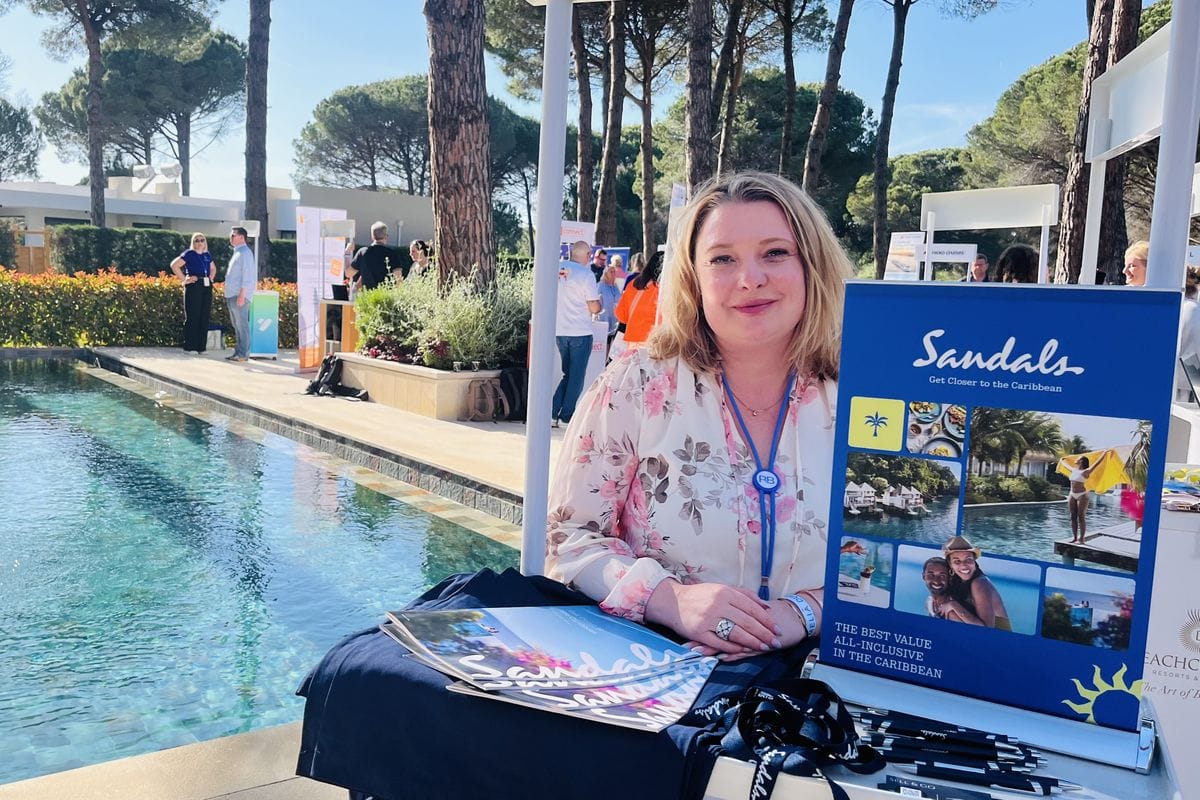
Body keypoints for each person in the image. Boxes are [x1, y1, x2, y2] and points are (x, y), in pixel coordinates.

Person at [546, 171, 852, 659]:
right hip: (662, 686)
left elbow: (909, 572)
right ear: (693, 278)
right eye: (722, 259)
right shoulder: (635, 386)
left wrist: (804, 613)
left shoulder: (866, 400)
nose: (750, 278)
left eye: (775, 253)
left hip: (822, 700)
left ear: (812, 266)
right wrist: (670, 600)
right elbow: (567, 539)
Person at [553, 240, 601, 428]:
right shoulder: (586, 275)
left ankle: (552, 410)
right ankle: (566, 416)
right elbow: (594, 306)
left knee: (568, 374)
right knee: (576, 376)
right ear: (588, 255)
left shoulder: (556, 268)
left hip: (560, 330)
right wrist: (600, 305)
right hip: (580, 331)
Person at [943, 536, 1011, 631]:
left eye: (968, 560)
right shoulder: (957, 580)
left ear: (974, 562)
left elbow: (986, 629)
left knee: (952, 614)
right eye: (957, 561)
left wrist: (953, 605)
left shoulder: (979, 584)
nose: (963, 565)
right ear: (950, 565)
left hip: (1000, 636)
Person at [170, 232, 215, 354]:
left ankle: (201, 347)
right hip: (193, 286)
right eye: (197, 240)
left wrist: (211, 278)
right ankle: (190, 346)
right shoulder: (189, 254)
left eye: (202, 240)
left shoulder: (207, 255)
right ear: (193, 243)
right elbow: (174, 265)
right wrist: (185, 279)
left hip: (205, 285)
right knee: (193, 316)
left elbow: (213, 268)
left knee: (204, 316)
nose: (200, 242)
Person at [613, 250, 664, 349]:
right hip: (654, 343)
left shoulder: (633, 284)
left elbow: (621, 315)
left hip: (632, 343)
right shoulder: (664, 289)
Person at [223, 226, 257, 363]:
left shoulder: (245, 253)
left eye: (233, 236)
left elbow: (247, 276)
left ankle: (243, 354)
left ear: (241, 237)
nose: (230, 238)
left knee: (242, 325)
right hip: (232, 294)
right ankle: (238, 352)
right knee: (236, 325)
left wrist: (242, 295)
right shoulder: (237, 252)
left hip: (239, 295)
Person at [921, 556, 981, 623]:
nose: (936, 581)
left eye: (942, 576)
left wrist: (953, 605)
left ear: (949, 578)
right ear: (923, 576)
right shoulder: (930, 602)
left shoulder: (952, 613)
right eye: (931, 575)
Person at [1062, 452, 1105, 543]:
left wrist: (1104, 454)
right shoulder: (1074, 470)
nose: (1076, 459)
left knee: (1081, 516)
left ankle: (1082, 538)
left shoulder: (1086, 471)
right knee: (1073, 516)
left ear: (1081, 461)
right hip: (1072, 494)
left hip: (1082, 495)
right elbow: (1065, 465)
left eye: (1078, 458)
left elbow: (1097, 463)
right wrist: (1062, 460)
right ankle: (1074, 537)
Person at [348, 221, 396, 290]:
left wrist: (347, 253)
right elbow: (398, 279)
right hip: (386, 296)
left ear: (372, 236)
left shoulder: (363, 252)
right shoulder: (392, 253)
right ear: (386, 236)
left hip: (368, 297)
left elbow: (349, 273)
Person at [596, 263, 623, 350]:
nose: (613, 274)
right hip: (603, 319)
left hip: (614, 319)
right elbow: (596, 299)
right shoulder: (600, 285)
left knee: (613, 344)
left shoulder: (615, 286)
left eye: (614, 272)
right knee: (604, 343)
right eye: (611, 272)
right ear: (605, 273)